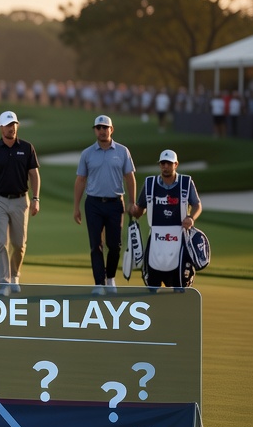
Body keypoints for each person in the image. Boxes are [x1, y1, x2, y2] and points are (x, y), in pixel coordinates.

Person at [0, 110, 40, 296]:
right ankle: (4, 282)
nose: (11, 128)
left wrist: (36, 198)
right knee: (1, 243)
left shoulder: (27, 148)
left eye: (13, 124)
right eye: (7, 125)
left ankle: (14, 275)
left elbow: (34, 175)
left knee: (19, 244)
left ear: (17, 126)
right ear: (1, 128)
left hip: (21, 201)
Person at [73, 114, 136, 294]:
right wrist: (76, 207)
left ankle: (110, 278)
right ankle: (99, 283)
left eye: (105, 127)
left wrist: (132, 202)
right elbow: (80, 180)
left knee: (114, 245)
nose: (102, 131)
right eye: (98, 128)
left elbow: (130, 178)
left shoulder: (122, 151)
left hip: (115, 204)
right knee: (96, 245)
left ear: (111, 129)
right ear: (95, 130)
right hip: (93, 204)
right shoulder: (87, 153)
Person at [130, 149, 202, 289]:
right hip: (156, 238)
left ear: (176, 164)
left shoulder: (186, 182)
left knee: (179, 284)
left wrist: (191, 218)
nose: (165, 166)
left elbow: (197, 205)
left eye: (169, 163)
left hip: (180, 237)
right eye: (163, 163)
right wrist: (134, 210)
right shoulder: (150, 183)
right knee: (152, 284)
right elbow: (140, 208)